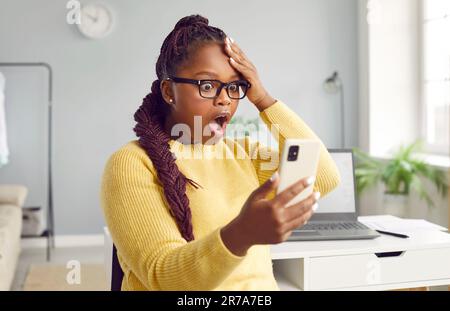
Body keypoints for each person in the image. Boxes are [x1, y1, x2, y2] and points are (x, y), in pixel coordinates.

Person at [100, 14, 340, 291]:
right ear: (169, 91)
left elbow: (322, 175)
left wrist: (263, 99)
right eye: (207, 85)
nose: (225, 98)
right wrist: (242, 233)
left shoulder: (245, 154)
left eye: (234, 86)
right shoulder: (133, 163)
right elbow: (163, 277)